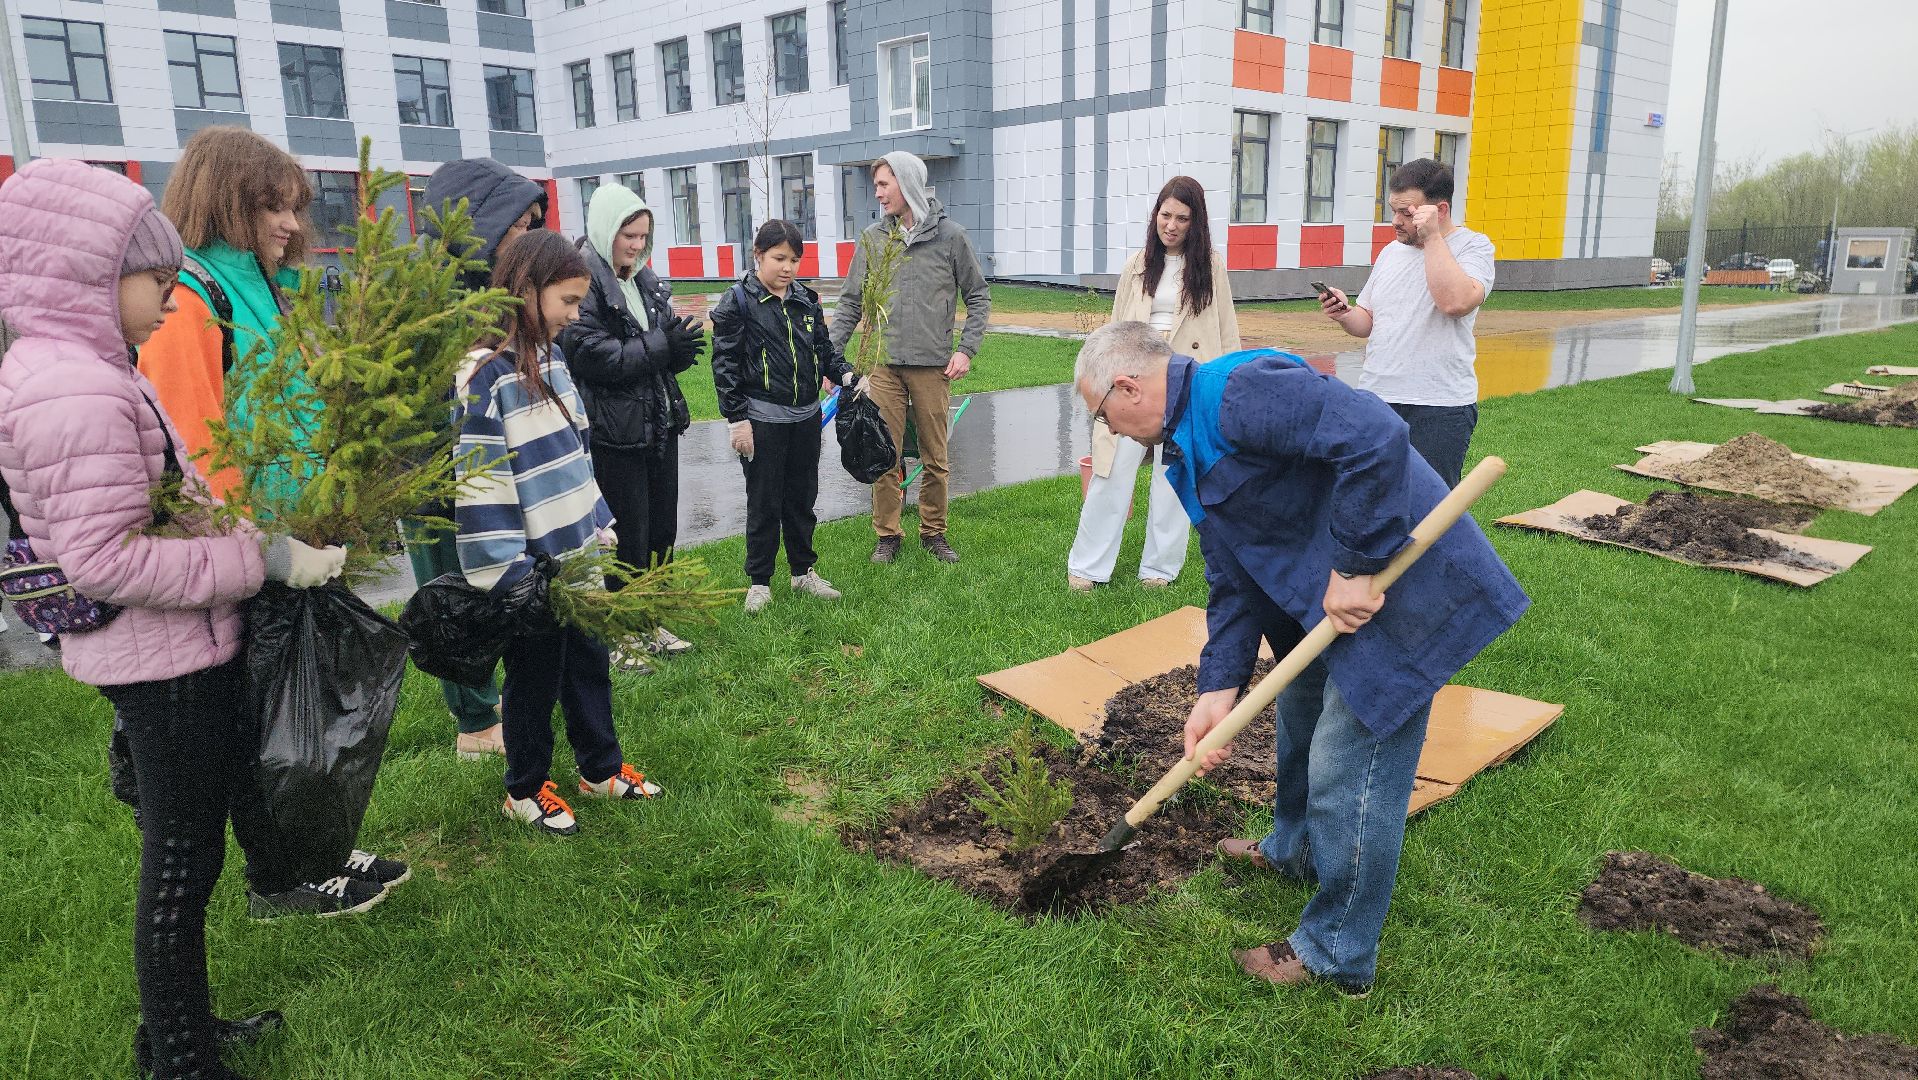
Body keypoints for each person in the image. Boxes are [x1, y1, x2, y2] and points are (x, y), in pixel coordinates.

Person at [0, 158, 382, 1080]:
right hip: (154, 659)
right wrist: (257, 560)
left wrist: (244, 532)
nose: (169, 304)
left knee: (193, 847)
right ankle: (176, 1055)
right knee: (180, 861)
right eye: (155, 282)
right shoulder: (75, 390)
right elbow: (104, 558)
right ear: (83, 273)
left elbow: (167, 499)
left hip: (172, 643)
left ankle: (187, 1030)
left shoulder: (89, 369)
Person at [1072, 322, 1528, 995]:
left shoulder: (1240, 392)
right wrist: (1217, 687)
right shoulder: (1184, 449)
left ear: (1129, 386)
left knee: (1351, 766)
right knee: (1299, 722)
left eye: (1100, 414)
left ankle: (1336, 950)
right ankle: (1295, 850)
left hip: (1394, 586)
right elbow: (1229, 577)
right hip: (1322, 602)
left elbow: (1374, 434)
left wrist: (1355, 563)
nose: (1107, 429)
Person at [456, 230, 664, 837]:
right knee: (534, 677)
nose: (575, 316)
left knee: (589, 663)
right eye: (568, 302)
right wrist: (506, 569)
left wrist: (597, 519)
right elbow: (480, 482)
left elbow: (576, 451)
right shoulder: (484, 374)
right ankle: (525, 786)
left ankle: (599, 769)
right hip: (530, 569)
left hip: (577, 554)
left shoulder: (552, 358)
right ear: (526, 291)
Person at [402, 157, 550, 760]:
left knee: (501, 583)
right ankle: (475, 722)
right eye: (520, 226)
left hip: (495, 466)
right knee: (452, 592)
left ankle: (510, 701)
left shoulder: (496, 290)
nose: (528, 238)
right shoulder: (425, 292)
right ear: (485, 222)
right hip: (435, 471)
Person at [557, 182, 706, 671]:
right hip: (615, 434)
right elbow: (593, 355)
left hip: (658, 423)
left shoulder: (644, 280)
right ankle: (622, 633)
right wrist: (662, 347)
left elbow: (652, 350)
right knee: (628, 536)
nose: (638, 246)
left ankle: (652, 619)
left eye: (644, 236)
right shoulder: (584, 283)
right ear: (606, 230)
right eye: (629, 236)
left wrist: (676, 350)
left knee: (661, 529)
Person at [1068, 175, 1240, 592]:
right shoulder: (1138, 264)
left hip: (1185, 376)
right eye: (1165, 215)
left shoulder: (1211, 266)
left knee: (1173, 477)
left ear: (1195, 222)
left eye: (1182, 218)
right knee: (1112, 471)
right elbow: (1116, 322)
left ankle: (1158, 571)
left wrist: (1226, 382)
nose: (1172, 225)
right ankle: (1088, 568)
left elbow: (1225, 327)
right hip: (1133, 374)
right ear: (1156, 216)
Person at [829, 151, 991, 565]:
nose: (878, 193)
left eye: (885, 184)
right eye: (877, 185)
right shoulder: (873, 240)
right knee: (884, 453)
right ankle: (888, 533)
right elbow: (850, 303)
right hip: (882, 367)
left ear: (907, 184)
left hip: (934, 366)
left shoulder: (951, 237)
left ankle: (934, 531)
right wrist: (830, 358)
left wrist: (966, 349)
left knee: (936, 457)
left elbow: (978, 295)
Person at [137, 127, 313, 504]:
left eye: (293, 209)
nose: (293, 224)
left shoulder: (268, 286)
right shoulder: (187, 299)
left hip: (307, 537)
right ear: (226, 203)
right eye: (274, 207)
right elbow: (194, 449)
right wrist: (250, 546)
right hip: (258, 547)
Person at [1318, 158, 1494, 488]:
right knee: (1371, 496)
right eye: (1393, 210)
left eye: (1407, 212)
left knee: (1429, 506)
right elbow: (1367, 322)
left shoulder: (1474, 247)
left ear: (1439, 211)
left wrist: (1432, 239)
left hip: (1438, 406)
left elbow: (1455, 303)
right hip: (1377, 397)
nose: (1395, 221)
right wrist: (1344, 313)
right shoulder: (1390, 252)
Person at [711, 220, 858, 613]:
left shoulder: (807, 300)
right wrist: (736, 418)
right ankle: (759, 582)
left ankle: (802, 572)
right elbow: (724, 365)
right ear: (758, 255)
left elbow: (823, 349)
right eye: (779, 258)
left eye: (795, 259)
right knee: (764, 502)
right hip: (761, 420)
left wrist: (843, 372)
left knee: (801, 498)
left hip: (806, 419)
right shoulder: (737, 303)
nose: (788, 267)